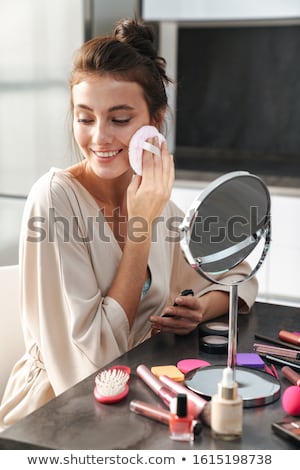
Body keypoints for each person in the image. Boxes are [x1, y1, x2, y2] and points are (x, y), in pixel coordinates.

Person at [0, 17, 257, 430]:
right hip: (58, 417)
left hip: (136, 402)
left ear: (156, 121)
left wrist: (199, 310)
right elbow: (93, 366)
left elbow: (238, 276)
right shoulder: (54, 202)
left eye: (119, 119)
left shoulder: (157, 204)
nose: (99, 137)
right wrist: (140, 228)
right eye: (85, 118)